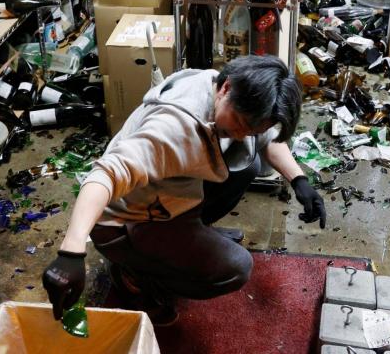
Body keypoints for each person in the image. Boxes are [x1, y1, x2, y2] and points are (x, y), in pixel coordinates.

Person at [42, 55, 327, 324]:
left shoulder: (231, 89)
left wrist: (298, 180)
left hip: (165, 195)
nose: (243, 134)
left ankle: (190, 233)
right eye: (240, 124)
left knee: (247, 165)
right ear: (226, 89)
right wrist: (72, 251)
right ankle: (133, 274)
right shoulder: (174, 129)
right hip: (126, 222)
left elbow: (266, 136)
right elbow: (104, 174)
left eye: (250, 130)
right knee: (236, 269)